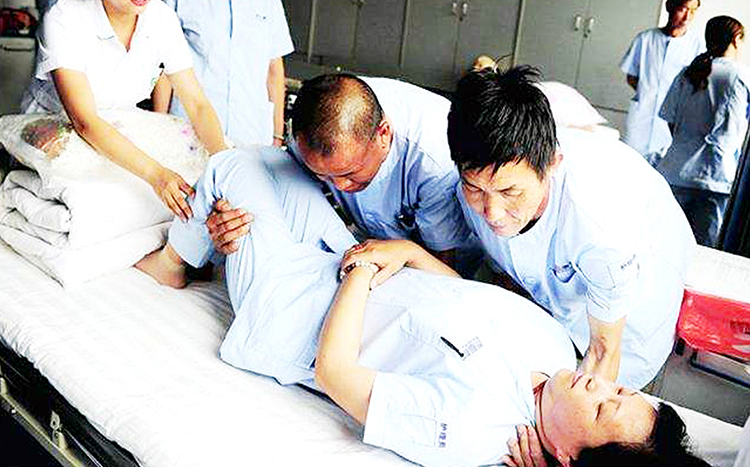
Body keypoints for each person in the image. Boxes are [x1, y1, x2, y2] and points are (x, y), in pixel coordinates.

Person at [135, 146, 708, 467]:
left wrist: (361, 272)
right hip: (349, 265)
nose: (599, 384)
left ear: (564, 456)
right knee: (276, 161)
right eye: (620, 391)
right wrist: (405, 253)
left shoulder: (476, 427)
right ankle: (211, 245)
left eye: (602, 409)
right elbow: (460, 293)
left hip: (292, 312)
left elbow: (335, 374)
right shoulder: (557, 347)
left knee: (230, 168)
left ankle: (172, 263)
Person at [439, 65, 693, 390]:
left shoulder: (598, 226)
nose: (492, 213)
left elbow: (603, 352)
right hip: (558, 306)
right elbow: (508, 270)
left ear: (551, 166)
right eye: (475, 188)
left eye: (509, 192)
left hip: (628, 327)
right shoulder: (478, 176)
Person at [21, 0, 227, 220]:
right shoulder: (65, 17)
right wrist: (157, 175)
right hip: (58, 126)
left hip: (116, 126)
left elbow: (197, 104)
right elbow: (84, 121)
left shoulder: (162, 18)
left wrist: (225, 169)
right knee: (85, 210)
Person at [209, 74, 478, 273]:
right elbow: (281, 191)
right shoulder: (310, 132)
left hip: (448, 255)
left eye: (350, 173)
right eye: (324, 176)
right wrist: (234, 221)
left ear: (383, 134)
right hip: (371, 239)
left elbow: (440, 266)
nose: (340, 186)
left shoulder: (434, 160)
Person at [155, 0, 293, 148]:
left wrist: (277, 134)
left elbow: (274, 72)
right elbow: (164, 68)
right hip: (190, 128)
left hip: (251, 130)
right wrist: (159, 128)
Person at [657, 16, 749, 248]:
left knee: (669, 245)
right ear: (736, 39)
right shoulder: (740, 75)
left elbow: (671, 121)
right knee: (705, 252)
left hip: (676, 172)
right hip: (715, 178)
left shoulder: (688, 72)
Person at [620, 0, 704, 164]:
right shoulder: (645, 39)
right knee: (630, 164)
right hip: (642, 115)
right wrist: (647, 92)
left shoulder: (697, 46)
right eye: (683, 9)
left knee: (663, 167)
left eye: (693, 11)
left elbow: (697, 87)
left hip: (672, 122)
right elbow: (631, 76)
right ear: (669, 6)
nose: (687, 17)